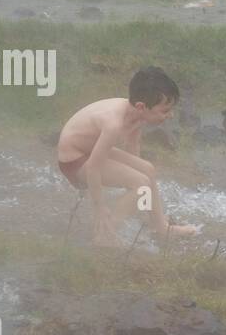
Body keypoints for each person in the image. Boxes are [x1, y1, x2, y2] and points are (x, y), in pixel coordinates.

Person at [56, 66, 196, 246]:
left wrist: (140, 199)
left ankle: (160, 227)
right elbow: (93, 168)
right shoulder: (113, 124)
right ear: (141, 106)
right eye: (164, 111)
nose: (170, 115)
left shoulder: (137, 114)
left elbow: (133, 147)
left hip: (91, 149)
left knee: (147, 170)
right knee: (141, 184)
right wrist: (99, 207)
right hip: (74, 160)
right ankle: (104, 234)